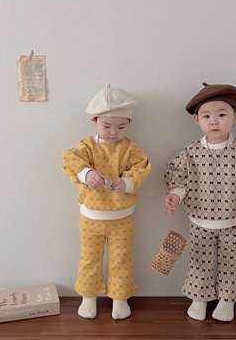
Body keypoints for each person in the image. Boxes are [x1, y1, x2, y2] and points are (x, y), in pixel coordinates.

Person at [164, 82, 236, 322]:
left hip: (233, 222)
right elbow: (179, 174)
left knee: (230, 262)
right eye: (207, 116)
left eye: (222, 115)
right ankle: (199, 298)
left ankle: (226, 300)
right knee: (199, 261)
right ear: (197, 120)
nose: (214, 121)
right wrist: (176, 195)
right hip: (199, 221)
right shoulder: (191, 151)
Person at [62, 84, 151, 320]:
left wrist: (128, 183)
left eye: (121, 127)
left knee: (121, 259)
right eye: (107, 126)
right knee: (89, 259)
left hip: (122, 217)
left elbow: (141, 167)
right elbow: (71, 160)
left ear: (129, 123)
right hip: (90, 217)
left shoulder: (130, 148)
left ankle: (119, 298)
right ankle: (88, 297)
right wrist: (86, 173)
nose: (113, 132)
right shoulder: (86, 147)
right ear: (94, 121)